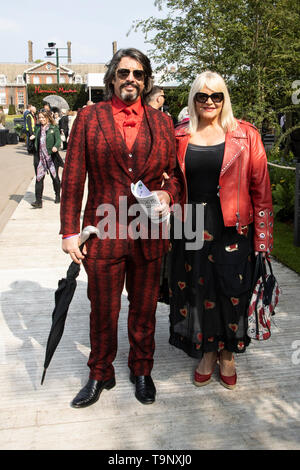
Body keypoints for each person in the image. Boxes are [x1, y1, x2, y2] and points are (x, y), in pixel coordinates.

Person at [60, 48, 181, 408]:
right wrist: (69, 232)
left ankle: (142, 370)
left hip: (149, 235)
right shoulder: (88, 117)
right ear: (112, 77)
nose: (131, 79)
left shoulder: (162, 122)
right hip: (102, 233)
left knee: (144, 309)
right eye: (125, 72)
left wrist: (167, 194)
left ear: (146, 81)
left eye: (139, 74)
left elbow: (174, 176)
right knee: (103, 309)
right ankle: (100, 373)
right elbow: (72, 179)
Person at [168, 71, 273, 390]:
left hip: (233, 225)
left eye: (217, 96)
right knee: (198, 291)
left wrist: (264, 238)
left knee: (233, 291)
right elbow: (172, 179)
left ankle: (228, 354)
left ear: (225, 99)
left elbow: (261, 188)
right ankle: (208, 352)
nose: (210, 102)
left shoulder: (245, 134)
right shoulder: (180, 135)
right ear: (194, 100)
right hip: (191, 224)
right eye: (203, 96)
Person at [30, 109, 61, 209]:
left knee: (55, 178)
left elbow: (58, 140)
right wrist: (33, 137)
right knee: (39, 178)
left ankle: (57, 195)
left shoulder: (54, 127)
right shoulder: (38, 128)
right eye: (40, 118)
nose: (41, 119)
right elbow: (36, 137)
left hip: (51, 157)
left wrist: (56, 146)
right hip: (39, 158)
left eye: (43, 117)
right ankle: (38, 201)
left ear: (48, 117)